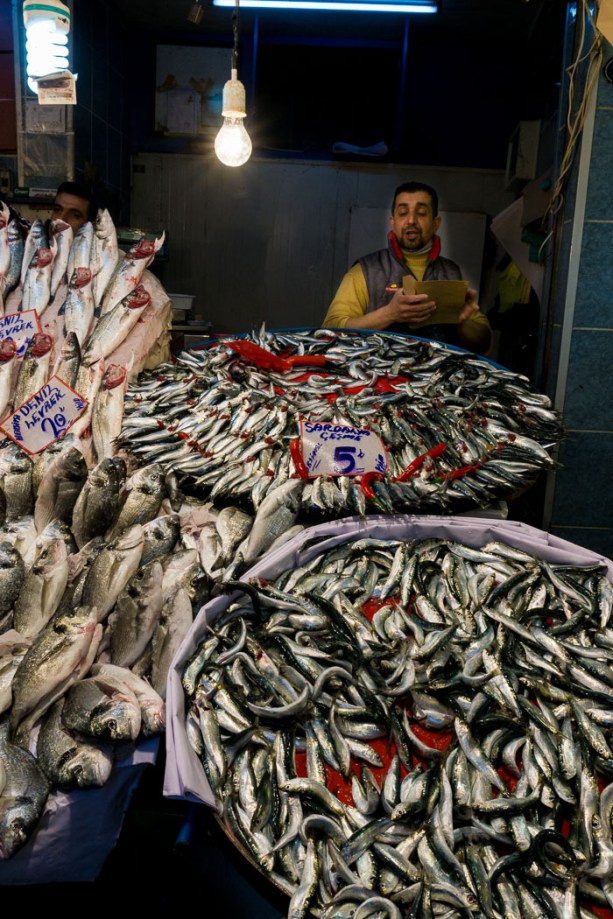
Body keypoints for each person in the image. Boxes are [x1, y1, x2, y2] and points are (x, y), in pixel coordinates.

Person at [322, 181, 493, 355]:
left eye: (421, 213)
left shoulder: (451, 272)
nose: (411, 220)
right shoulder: (366, 270)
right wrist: (389, 314)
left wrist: (463, 322)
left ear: (436, 223)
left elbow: (483, 343)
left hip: (439, 374)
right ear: (393, 221)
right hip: (378, 376)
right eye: (403, 213)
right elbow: (331, 329)